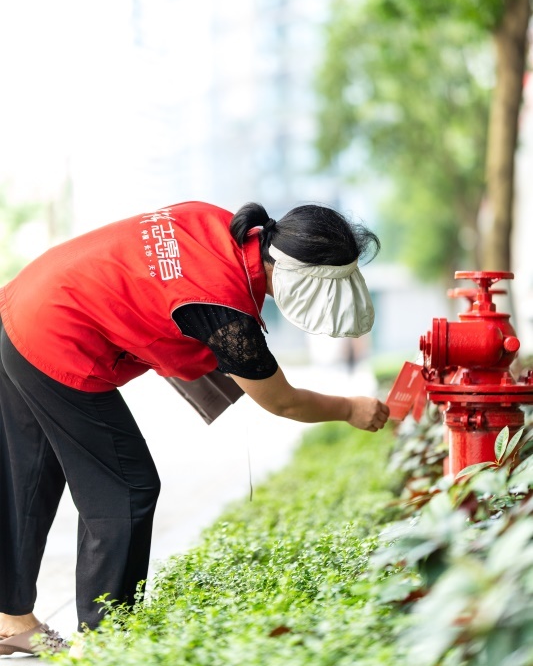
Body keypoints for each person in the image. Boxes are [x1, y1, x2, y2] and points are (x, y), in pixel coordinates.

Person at [0, 200, 389, 655]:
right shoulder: (223, 308)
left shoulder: (222, 225)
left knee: (32, 472)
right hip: (58, 340)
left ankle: (11, 621)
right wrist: (350, 409)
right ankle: (105, 643)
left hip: (24, 306)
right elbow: (281, 400)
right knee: (125, 489)